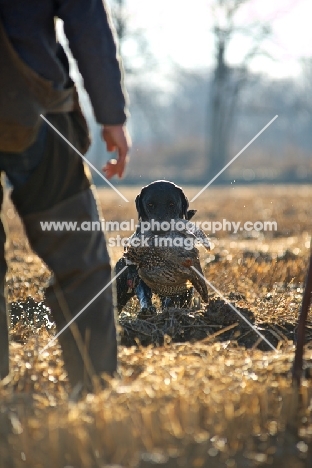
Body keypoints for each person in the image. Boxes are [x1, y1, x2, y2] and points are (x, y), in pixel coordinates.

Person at [0, 0, 131, 391]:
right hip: (29, 109)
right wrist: (111, 114)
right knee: (80, 260)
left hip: (29, 108)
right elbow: (87, 22)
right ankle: (95, 394)